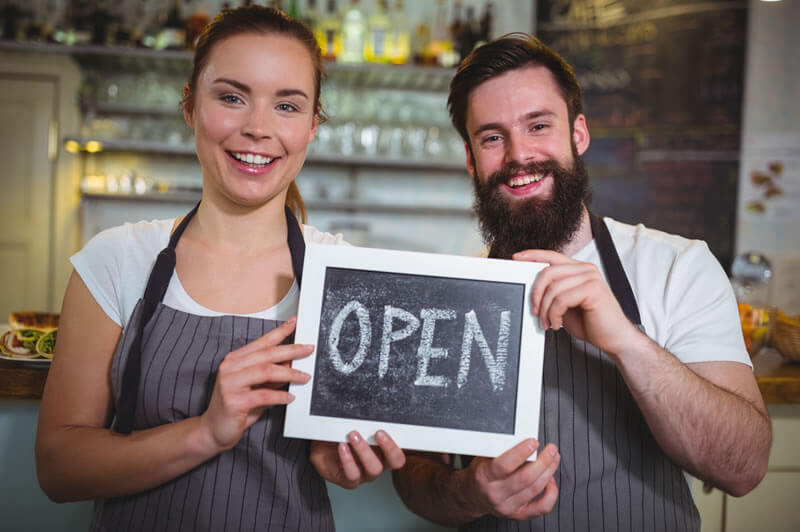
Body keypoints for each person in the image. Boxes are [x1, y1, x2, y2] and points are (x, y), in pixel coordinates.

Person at [34, 6, 404, 531]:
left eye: (287, 106)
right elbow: (57, 468)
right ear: (189, 105)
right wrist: (207, 431)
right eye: (231, 97)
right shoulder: (117, 259)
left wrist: (342, 460)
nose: (257, 128)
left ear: (313, 125)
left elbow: (348, 449)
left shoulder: (348, 276)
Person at [392, 33, 771, 531]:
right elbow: (417, 478)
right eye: (492, 137)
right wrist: (467, 493)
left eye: (539, 125)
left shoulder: (677, 267)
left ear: (579, 134)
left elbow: (743, 467)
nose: (518, 155)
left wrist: (626, 342)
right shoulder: (453, 297)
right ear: (470, 159)